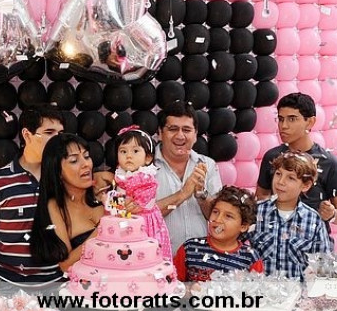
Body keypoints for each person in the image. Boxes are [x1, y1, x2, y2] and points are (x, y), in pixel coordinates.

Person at [0, 104, 65, 296]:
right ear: (27, 135)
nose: (57, 140)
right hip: (7, 285)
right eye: (49, 132)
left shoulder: (66, 177)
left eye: (60, 133)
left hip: (57, 284)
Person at [256, 93, 337, 230]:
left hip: (313, 239)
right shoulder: (272, 156)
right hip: (275, 237)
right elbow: (261, 198)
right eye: (280, 119)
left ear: (310, 122)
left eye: (292, 119)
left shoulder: (329, 162)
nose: (283, 126)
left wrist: (332, 213)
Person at [154, 100, 223, 255]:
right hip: (158, 261)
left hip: (200, 260)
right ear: (160, 133)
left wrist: (201, 195)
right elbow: (142, 217)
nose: (180, 136)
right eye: (173, 129)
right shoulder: (145, 168)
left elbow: (218, 220)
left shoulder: (208, 165)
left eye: (186, 130)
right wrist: (182, 194)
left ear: (195, 135)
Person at [250, 151, 332, 280]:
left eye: (291, 178)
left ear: (306, 185)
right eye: (278, 174)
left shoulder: (313, 220)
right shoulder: (255, 212)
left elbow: (323, 264)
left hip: (299, 291)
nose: (281, 182)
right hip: (260, 290)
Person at [30, 133, 104, 273]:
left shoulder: (106, 189)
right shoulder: (55, 206)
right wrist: (104, 229)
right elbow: (65, 265)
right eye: (74, 160)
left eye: (86, 156)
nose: (86, 164)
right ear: (58, 171)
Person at [174, 186, 263, 282]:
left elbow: (257, 289)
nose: (218, 219)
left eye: (228, 216)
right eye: (215, 212)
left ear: (243, 226)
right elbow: (172, 285)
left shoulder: (250, 258)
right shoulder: (189, 248)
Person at [113, 125, 172, 261]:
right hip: (124, 219)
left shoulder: (146, 178)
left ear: (148, 158)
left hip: (144, 222)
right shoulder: (119, 177)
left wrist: (130, 205)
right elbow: (117, 199)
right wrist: (115, 205)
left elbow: (143, 201)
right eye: (123, 151)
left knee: (145, 255)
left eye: (135, 151)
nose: (128, 156)